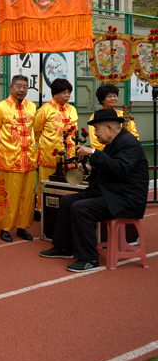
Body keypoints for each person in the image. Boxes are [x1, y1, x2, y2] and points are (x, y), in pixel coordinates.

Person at [39, 108, 148, 272]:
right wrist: (90, 169)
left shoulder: (128, 142)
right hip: (111, 193)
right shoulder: (114, 143)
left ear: (109, 128)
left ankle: (90, 259)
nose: (95, 133)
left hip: (126, 199)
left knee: (81, 208)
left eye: (97, 129)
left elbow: (120, 169)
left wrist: (94, 152)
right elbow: (110, 170)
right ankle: (64, 247)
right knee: (68, 201)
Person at [0, 75, 37, 242]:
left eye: (25, 86)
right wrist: (7, 147)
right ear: (11, 88)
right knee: (7, 195)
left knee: (27, 196)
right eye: (18, 86)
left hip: (29, 159)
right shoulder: (0, 108)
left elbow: (33, 131)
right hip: (8, 159)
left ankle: (22, 227)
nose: (21, 89)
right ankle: (5, 228)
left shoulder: (32, 107)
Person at [34, 79, 78, 211]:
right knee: (47, 186)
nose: (67, 95)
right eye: (64, 92)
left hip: (70, 157)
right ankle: (44, 212)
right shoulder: (44, 110)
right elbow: (36, 133)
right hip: (49, 157)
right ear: (55, 93)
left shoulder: (72, 109)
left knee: (69, 186)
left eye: (69, 92)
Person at [88, 84, 139, 150]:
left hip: (126, 149)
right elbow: (95, 140)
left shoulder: (124, 114)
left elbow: (133, 134)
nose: (113, 99)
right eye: (109, 96)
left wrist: (128, 145)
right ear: (102, 100)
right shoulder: (95, 116)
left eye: (115, 96)